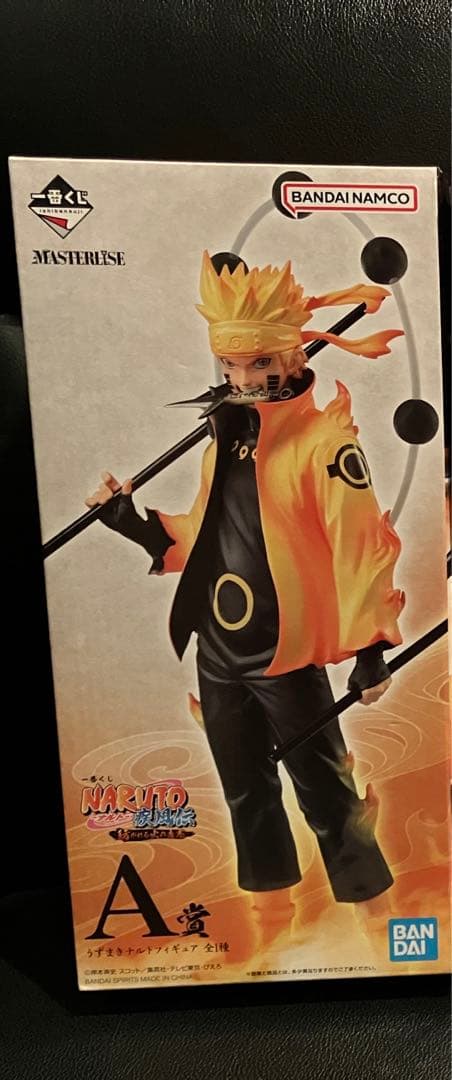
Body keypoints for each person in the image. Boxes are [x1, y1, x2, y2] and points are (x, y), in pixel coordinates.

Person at [86, 252, 405, 946]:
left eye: (258, 364)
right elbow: (205, 535)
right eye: (230, 366)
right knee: (244, 789)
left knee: (325, 789)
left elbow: (359, 546)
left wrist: (372, 648)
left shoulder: (324, 446)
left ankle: (378, 922)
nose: (242, 379)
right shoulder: (223, 443)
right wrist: (132, 523)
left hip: (285, 653)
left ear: (292, 356)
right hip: (220, 650)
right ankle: (271, 924)